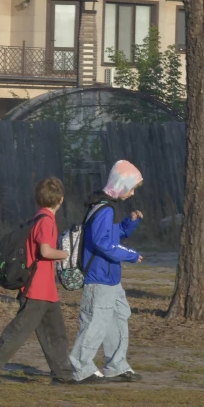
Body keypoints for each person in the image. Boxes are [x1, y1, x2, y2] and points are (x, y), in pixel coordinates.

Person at [0, 177, 74, 385]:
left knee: (56, 333)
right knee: (19, 331)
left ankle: (63, 374)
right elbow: (45, 251)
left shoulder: (38, 217)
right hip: (36, 288)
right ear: (61, 200)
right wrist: (66, 254)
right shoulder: (46, 221)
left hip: (46, 289)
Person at [70, 160, 144, 384]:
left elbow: (113, 235)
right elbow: (103, 243)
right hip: (99, 277)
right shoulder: (104, 208)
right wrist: (130, 255)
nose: (132, 194)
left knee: (118, 316)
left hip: (111, 278)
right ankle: (81, 367)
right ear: (121, 184)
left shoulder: (105, 207)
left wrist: (129, 223)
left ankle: (116, 365)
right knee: (95, 322)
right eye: (131, 188)